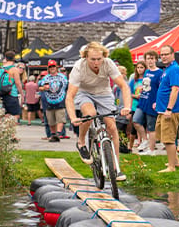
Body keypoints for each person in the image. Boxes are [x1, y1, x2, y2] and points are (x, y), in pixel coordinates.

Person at [65, 41, 131, 181]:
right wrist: (72, 117)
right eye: (92, 59)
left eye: (99, 59)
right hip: (84, 92)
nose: (96, 62)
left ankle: (116, 167)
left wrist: (127, 107)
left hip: (104, 93)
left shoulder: (108, 64)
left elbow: (124, 86)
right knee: (90, 114)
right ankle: (81, 142)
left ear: (104, 57)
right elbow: (70, 96)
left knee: (112, 127)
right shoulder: (79, 67)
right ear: (85, 58)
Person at [155, 45, 179, 172]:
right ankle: (176, 161)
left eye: (166, 54)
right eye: (162, 55)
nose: (163, 57)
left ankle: (171, 167)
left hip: (171, 111)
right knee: (161, 134)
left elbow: (175, 89)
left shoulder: (174, 69)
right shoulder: (167, 69)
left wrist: (169, 108)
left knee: (168, 139)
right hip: (162, 109)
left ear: (173, 54)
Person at [133, 50, 163, 155]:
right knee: (136, 121)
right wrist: (142, 88)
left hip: (152, 103)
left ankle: (151, 150)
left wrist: (158, 102)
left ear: (155, 59)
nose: (149, 61)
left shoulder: (160, 73)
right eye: (147, 59)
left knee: (151, 127)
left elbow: (161, 89)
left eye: (151, 58)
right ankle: (145, 140)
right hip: (143, 100)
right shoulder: (146, 72)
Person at [38, 60, 68, 142]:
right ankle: (53, 134)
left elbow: (68, 87)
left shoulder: (62, 77)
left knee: (60, 118)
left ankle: (58, 134)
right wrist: (44, 88)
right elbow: (39, 87)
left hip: (60, 101)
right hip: (49, 101)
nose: (52, 68)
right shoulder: (46, 78)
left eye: (53, 66)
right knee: (51, 120)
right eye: (50, 67)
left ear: (56, 67)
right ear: (48, 68)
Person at [0, 50, 24, 122]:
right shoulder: (14, 69)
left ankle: (5, 130)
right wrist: (22, 94)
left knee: (7, 114)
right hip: (12, 94)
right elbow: (18, 83)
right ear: (14, 58)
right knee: (15, 115)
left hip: (3, 94)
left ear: (6, 58)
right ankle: (11, 131)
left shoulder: (1, 68)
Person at [128, 61, 146, 152]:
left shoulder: (146, 80)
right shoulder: (133, 81)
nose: (139, 69)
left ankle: (143, 144)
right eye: (138, 68)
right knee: (133, 127)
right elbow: (129, 93)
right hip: (135, 105)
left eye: (141, 67)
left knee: (144, 126)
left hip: (144, 105)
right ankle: (130, 147)